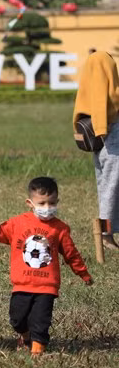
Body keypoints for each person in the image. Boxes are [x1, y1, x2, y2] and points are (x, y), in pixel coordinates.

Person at [0, 177, 93, 356]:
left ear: (58, 202)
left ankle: (37, 352)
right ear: (30, 203)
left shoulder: (60, 228)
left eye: (52, 203)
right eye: (42, 203)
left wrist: (83, 273)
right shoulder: (17, 223)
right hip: (22, 284)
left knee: (41, 321)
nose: (47, 208)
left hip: (47, 287)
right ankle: (26, 336)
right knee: (17, 320)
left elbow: (71, 253)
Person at [73, 51, 119, 250]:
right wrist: (101, 129)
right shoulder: (102, 61)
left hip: (103, 134)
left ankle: (106, 233)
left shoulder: (92, 65)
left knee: (106, 186)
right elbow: (101, 100)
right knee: (110, 188)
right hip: (109, 133)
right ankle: (106, 235)